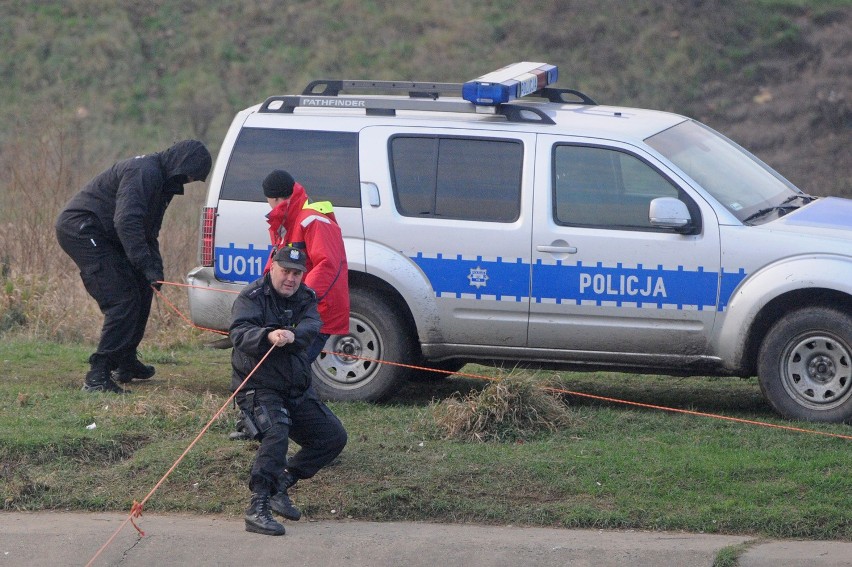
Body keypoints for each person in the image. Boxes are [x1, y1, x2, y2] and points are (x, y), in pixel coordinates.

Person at [56, 139, 212, 394]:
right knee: (122, 299)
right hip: (82, 230)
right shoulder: (144, 172)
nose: (187, 181)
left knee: (142, 287)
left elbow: (149, 231)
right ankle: (98, 375)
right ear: (180, 165)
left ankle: (125, 361)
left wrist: (153, 269)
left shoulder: (163, 182)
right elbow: (127, 221)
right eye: (189, 175)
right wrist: (143, 262)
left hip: (108, 234)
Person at [230, 245, 347, 536]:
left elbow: (313, 324)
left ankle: (281, 484)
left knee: (332, 437)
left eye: (297, 273)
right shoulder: (252, 297)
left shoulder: (306, 297)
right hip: (258, 386)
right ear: (273, 268)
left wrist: (294, 334)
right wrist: (267, 335)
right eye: (286, 271)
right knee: (277, 432)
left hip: (295, 387)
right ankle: (257, 507)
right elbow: (238, 333)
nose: (291, 279)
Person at [261, 170, 350, 364]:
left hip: (316, 310)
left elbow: (327, 265)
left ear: (274, 198)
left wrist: (298, 301)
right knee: (286, 366)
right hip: (301, 311)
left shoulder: (312, 220)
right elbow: (276, 263)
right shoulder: (288, 221)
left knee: (292, 367)